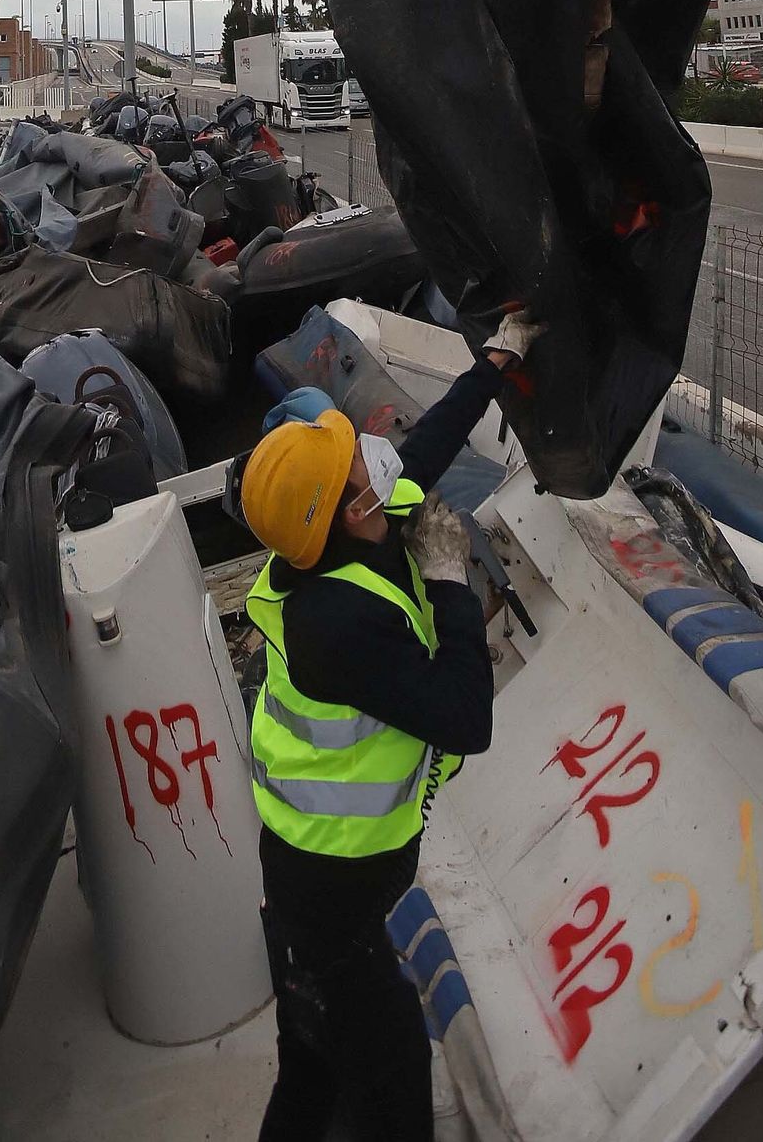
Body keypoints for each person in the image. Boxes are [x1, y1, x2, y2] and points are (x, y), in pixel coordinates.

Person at [236, 343, 513, 1142]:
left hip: (305, 877)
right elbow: (465, 717)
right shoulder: (336, 626)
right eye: (359, 459)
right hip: (330, 905)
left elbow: (425, 450)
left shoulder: (336, 531)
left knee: (313, 1068)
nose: (376, 451)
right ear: (352, 508)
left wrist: (494, 363)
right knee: (388, 1083)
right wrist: (451, 584)